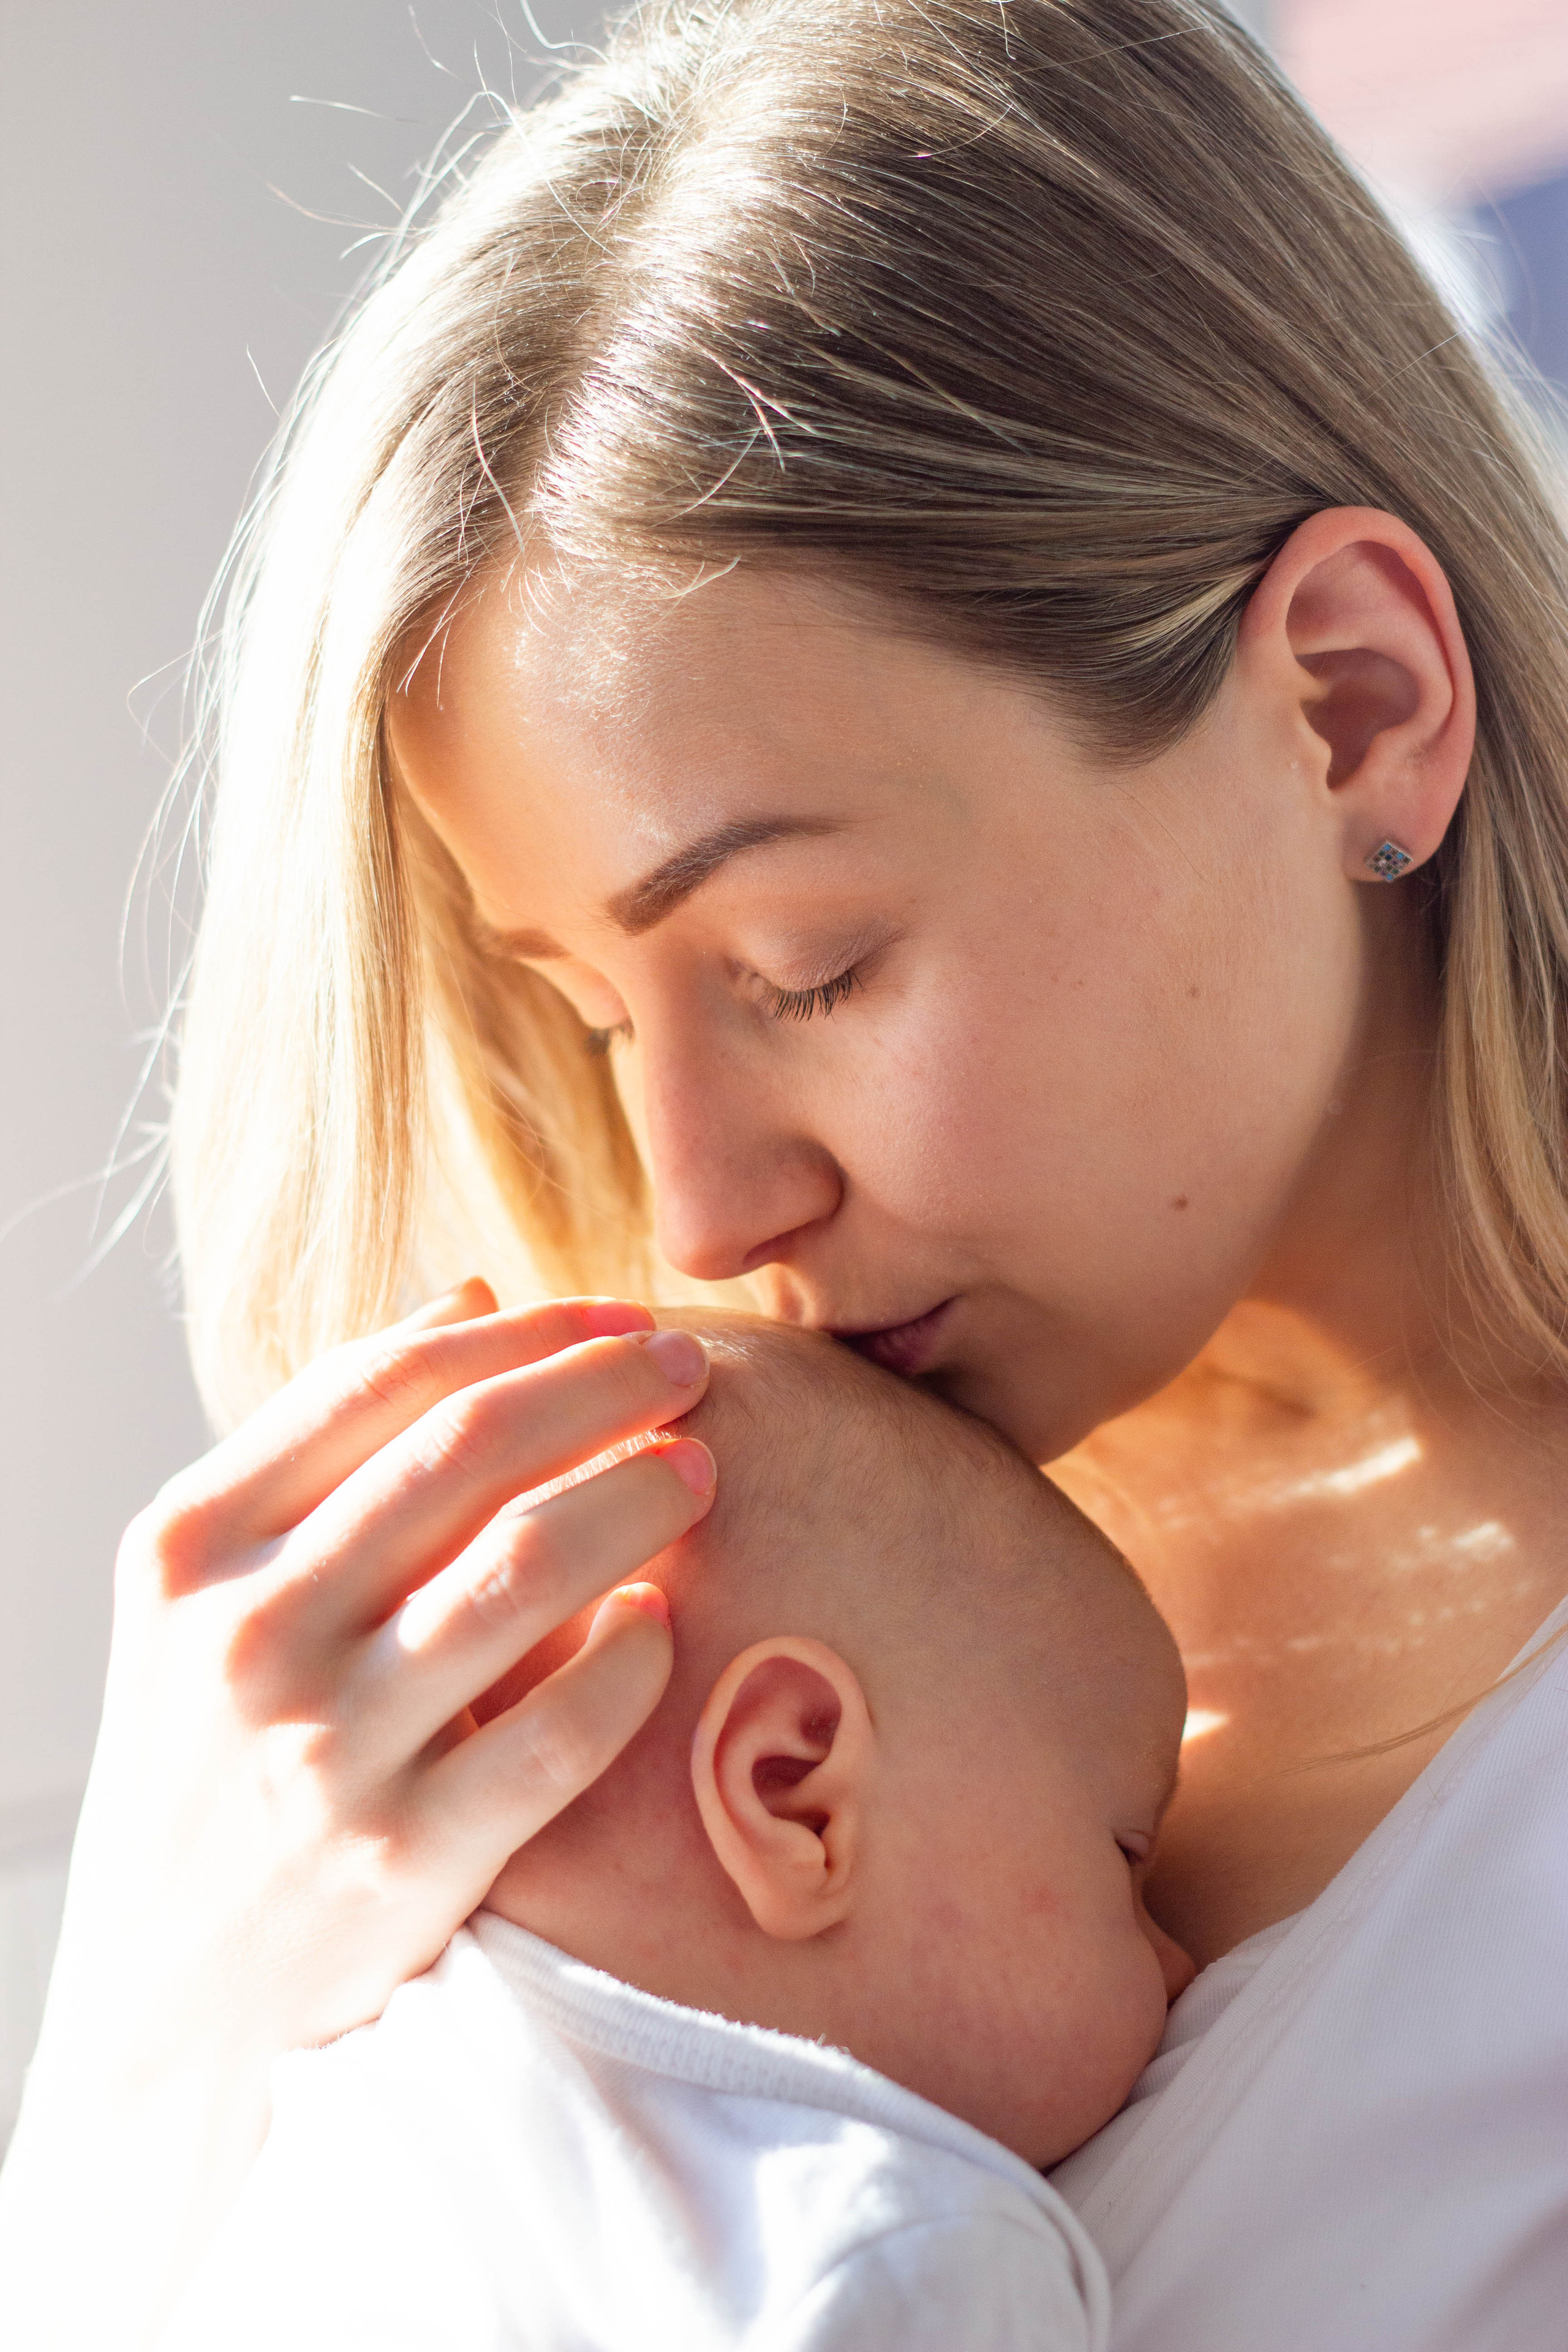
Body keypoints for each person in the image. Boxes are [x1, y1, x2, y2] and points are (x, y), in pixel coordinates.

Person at [4, 1, 1568, 2345]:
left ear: (1356, 700)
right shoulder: (632, 1650)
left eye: (804, 964)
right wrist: (154, 2032)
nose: (701, 1214)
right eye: (586, 1009)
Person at [159, 1314, 1190, 2350]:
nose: (1181, 1961)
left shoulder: (309, 2129)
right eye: (1126, 1860)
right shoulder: (894, 2259)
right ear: (795, 1795)